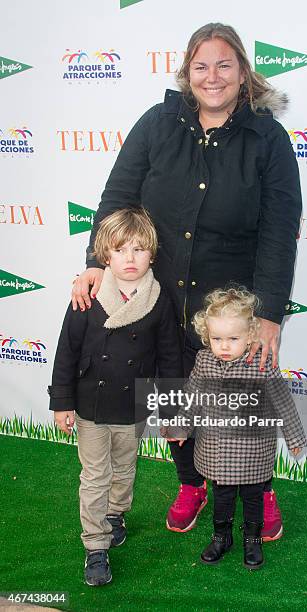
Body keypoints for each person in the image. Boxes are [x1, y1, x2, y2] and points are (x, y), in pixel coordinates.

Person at [71, 22, 302, 540]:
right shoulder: (156, 124)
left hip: (231, 312)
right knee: (172, 397)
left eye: (224, 65)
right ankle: (191, 482)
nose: (212, 76)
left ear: (243, 72)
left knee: (242, 404)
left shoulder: (268, 139)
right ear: (186, 72)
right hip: (159, 299)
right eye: (201, 66)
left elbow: (280, 232)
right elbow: (118, 198)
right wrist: (95, 258)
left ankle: (261, 489)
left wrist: (267, 315)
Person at [48, 208, 182, 586]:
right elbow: (67, 351)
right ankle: (95, 547)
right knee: (94, 476)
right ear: (105, 255)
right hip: (91, 404)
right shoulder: (88, 295)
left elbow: (170, 360)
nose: (129, 258)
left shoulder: (159, 300)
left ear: (151, 255)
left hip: (132, 407)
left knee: (124, 469)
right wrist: (62, 401)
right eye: (121, 250)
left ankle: (116, 514)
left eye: (139, 250)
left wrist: (172, 413)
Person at [165, 287, 307, 569]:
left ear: (251, 335)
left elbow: (282, 401)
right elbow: (193, 397)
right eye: (217, 339)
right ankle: (222, 536)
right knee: (223, 496)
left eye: (233, 338)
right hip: (215, 450)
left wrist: (294, 437)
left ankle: (252, 539)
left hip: (253, 449)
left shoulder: (262, 363)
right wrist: (181, 427)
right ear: (207, 336)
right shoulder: (204, 361)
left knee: (253, 497)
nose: (225, 346)